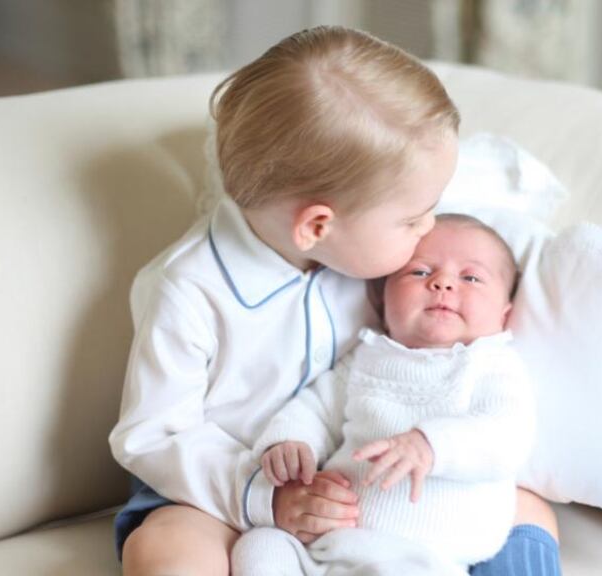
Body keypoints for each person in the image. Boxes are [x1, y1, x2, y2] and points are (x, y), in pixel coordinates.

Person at [108, 25, 559, 576]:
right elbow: (154, 434)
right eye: (414, 219)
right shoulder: (188, 289)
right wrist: (264, 498)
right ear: (317, 224)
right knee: (166, 549)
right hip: (219, 491)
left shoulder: (370, 251)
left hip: (364, 488)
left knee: (529, 508)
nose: (429, 228)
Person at [232, 215, 540, 575]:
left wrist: (431, 445)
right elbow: (316, 407)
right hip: (326, 549)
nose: (442, 283)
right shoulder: (367, 356)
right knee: (260, 544)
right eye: (420, 272)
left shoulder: (492, 364)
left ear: (504, 315)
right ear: (382, 298)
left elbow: (508, 436)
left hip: (421, 559)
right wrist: (290, 441)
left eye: (470, 277)